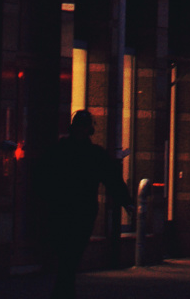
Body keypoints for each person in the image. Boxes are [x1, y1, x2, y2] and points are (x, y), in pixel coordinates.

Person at [37, 110, 133, 299]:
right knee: (70, 255)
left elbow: (112, 179)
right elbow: (112, 178)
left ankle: (63, 291)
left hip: (70, 211)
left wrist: (125, 201)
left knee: (68, 255)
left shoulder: (64, 151)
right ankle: (64, 291)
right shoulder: (91, 154)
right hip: (74, 211)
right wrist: (126, 202)